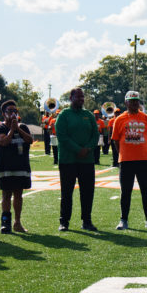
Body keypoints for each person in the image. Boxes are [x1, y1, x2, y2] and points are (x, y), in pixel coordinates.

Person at [110, 91, 147, 230]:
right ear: (126, 103)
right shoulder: (119, 119)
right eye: (131, 101)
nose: (134, 103)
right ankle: (123, 220)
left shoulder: (146, 118)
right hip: (126, 161)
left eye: (136, 100)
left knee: (146, 191)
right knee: (126, 192)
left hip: (144, 159)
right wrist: (123, 154)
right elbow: (116, 140)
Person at [56, 88, 99, 231]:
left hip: (87, 160)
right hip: (68, 160)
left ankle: (87, 221)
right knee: (67, 192)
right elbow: (62, 137)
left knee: (87, 192)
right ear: (71, 98)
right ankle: (64, 221)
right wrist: (78, 149)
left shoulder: (89, 115)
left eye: (82, 97)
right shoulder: (63, 115)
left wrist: (87, 148)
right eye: (78, 97)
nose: (81, 99)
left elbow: (95, 135)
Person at [0, 100, 33, 234]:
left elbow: (30, 140)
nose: (13, 114)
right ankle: (5, 223)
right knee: (6, 195)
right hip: (5, 168)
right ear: (3, 114)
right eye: (10, 111)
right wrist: (12, 129)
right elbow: (3, 142)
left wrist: (18, 129)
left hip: (21, 167)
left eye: (15, 111)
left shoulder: (23, 127)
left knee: (18, 194)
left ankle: (17, 222)